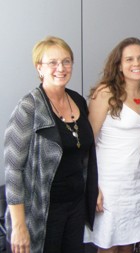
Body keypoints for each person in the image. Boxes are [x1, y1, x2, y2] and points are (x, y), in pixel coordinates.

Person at [4, 36, 98, 253]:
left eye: (66, 61)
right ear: (39, 68)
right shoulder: (28, 107)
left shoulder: (78, 101)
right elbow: (13, 170)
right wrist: (18, 226)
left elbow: (84, 153)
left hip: (75, 206)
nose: (61, 68)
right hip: (41, 210)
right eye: (52, 62)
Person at [84, 37, 140, 253]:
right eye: (129, 59)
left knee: (128, 244)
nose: (137, 63)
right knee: (107, 245)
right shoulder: (105, 93)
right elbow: (87, 142)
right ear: (119, 65)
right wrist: (92, 185)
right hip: (108, 182)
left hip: (135, 180)